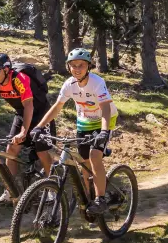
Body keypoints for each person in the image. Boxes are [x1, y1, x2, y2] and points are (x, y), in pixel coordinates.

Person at [32, 48, 118, 215]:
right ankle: (88, 199)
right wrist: (39, 126)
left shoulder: (97, 82)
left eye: (81, 65)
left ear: (89, 66)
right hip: (84, 122)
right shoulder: (69, 84)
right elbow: (57, 107)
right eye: (73, 65)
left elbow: (105, 108)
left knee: (94, 156)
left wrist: (105, 132)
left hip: (104, 120)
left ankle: (100, 199)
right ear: (69, 67)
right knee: (85, 165)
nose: (77, 69)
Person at [0, 53, 55, 203]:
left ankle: (52, 186)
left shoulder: (20, 79)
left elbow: (29, 105)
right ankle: (10, 191)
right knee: (11, 150)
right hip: (21, 114)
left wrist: (24, 132)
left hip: (41, 113)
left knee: (42, 150)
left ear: (6, 70)